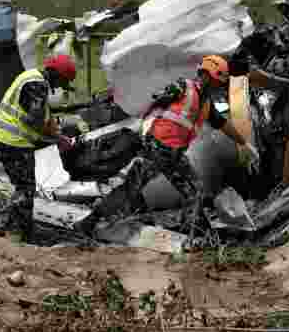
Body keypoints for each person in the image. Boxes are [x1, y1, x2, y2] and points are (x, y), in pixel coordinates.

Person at [77, 56, 261, 241]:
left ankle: (199, 234)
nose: (215, 86)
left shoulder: (206, 105)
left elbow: (222, 124)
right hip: (157, 147)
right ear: (204, 75)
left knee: (192, 192)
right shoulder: (183, 87)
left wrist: (244, 143)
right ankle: (199, 234)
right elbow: (155, 101)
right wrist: (156, 104)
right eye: (213, 81)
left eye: (218, 84)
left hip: (173, 153)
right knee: (167, 190)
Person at [0, 54, 78, 241]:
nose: (60, 87)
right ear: (54, 74)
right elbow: (33, 120)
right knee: (26, 189)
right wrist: (57, 138)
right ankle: (9, 229)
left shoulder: (30, 78)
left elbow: (39, 115)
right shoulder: (38, 85)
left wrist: (53, 129)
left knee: (23, 187)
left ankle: (18, 230)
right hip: (13, 142)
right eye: (62, 81)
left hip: (3, 138)